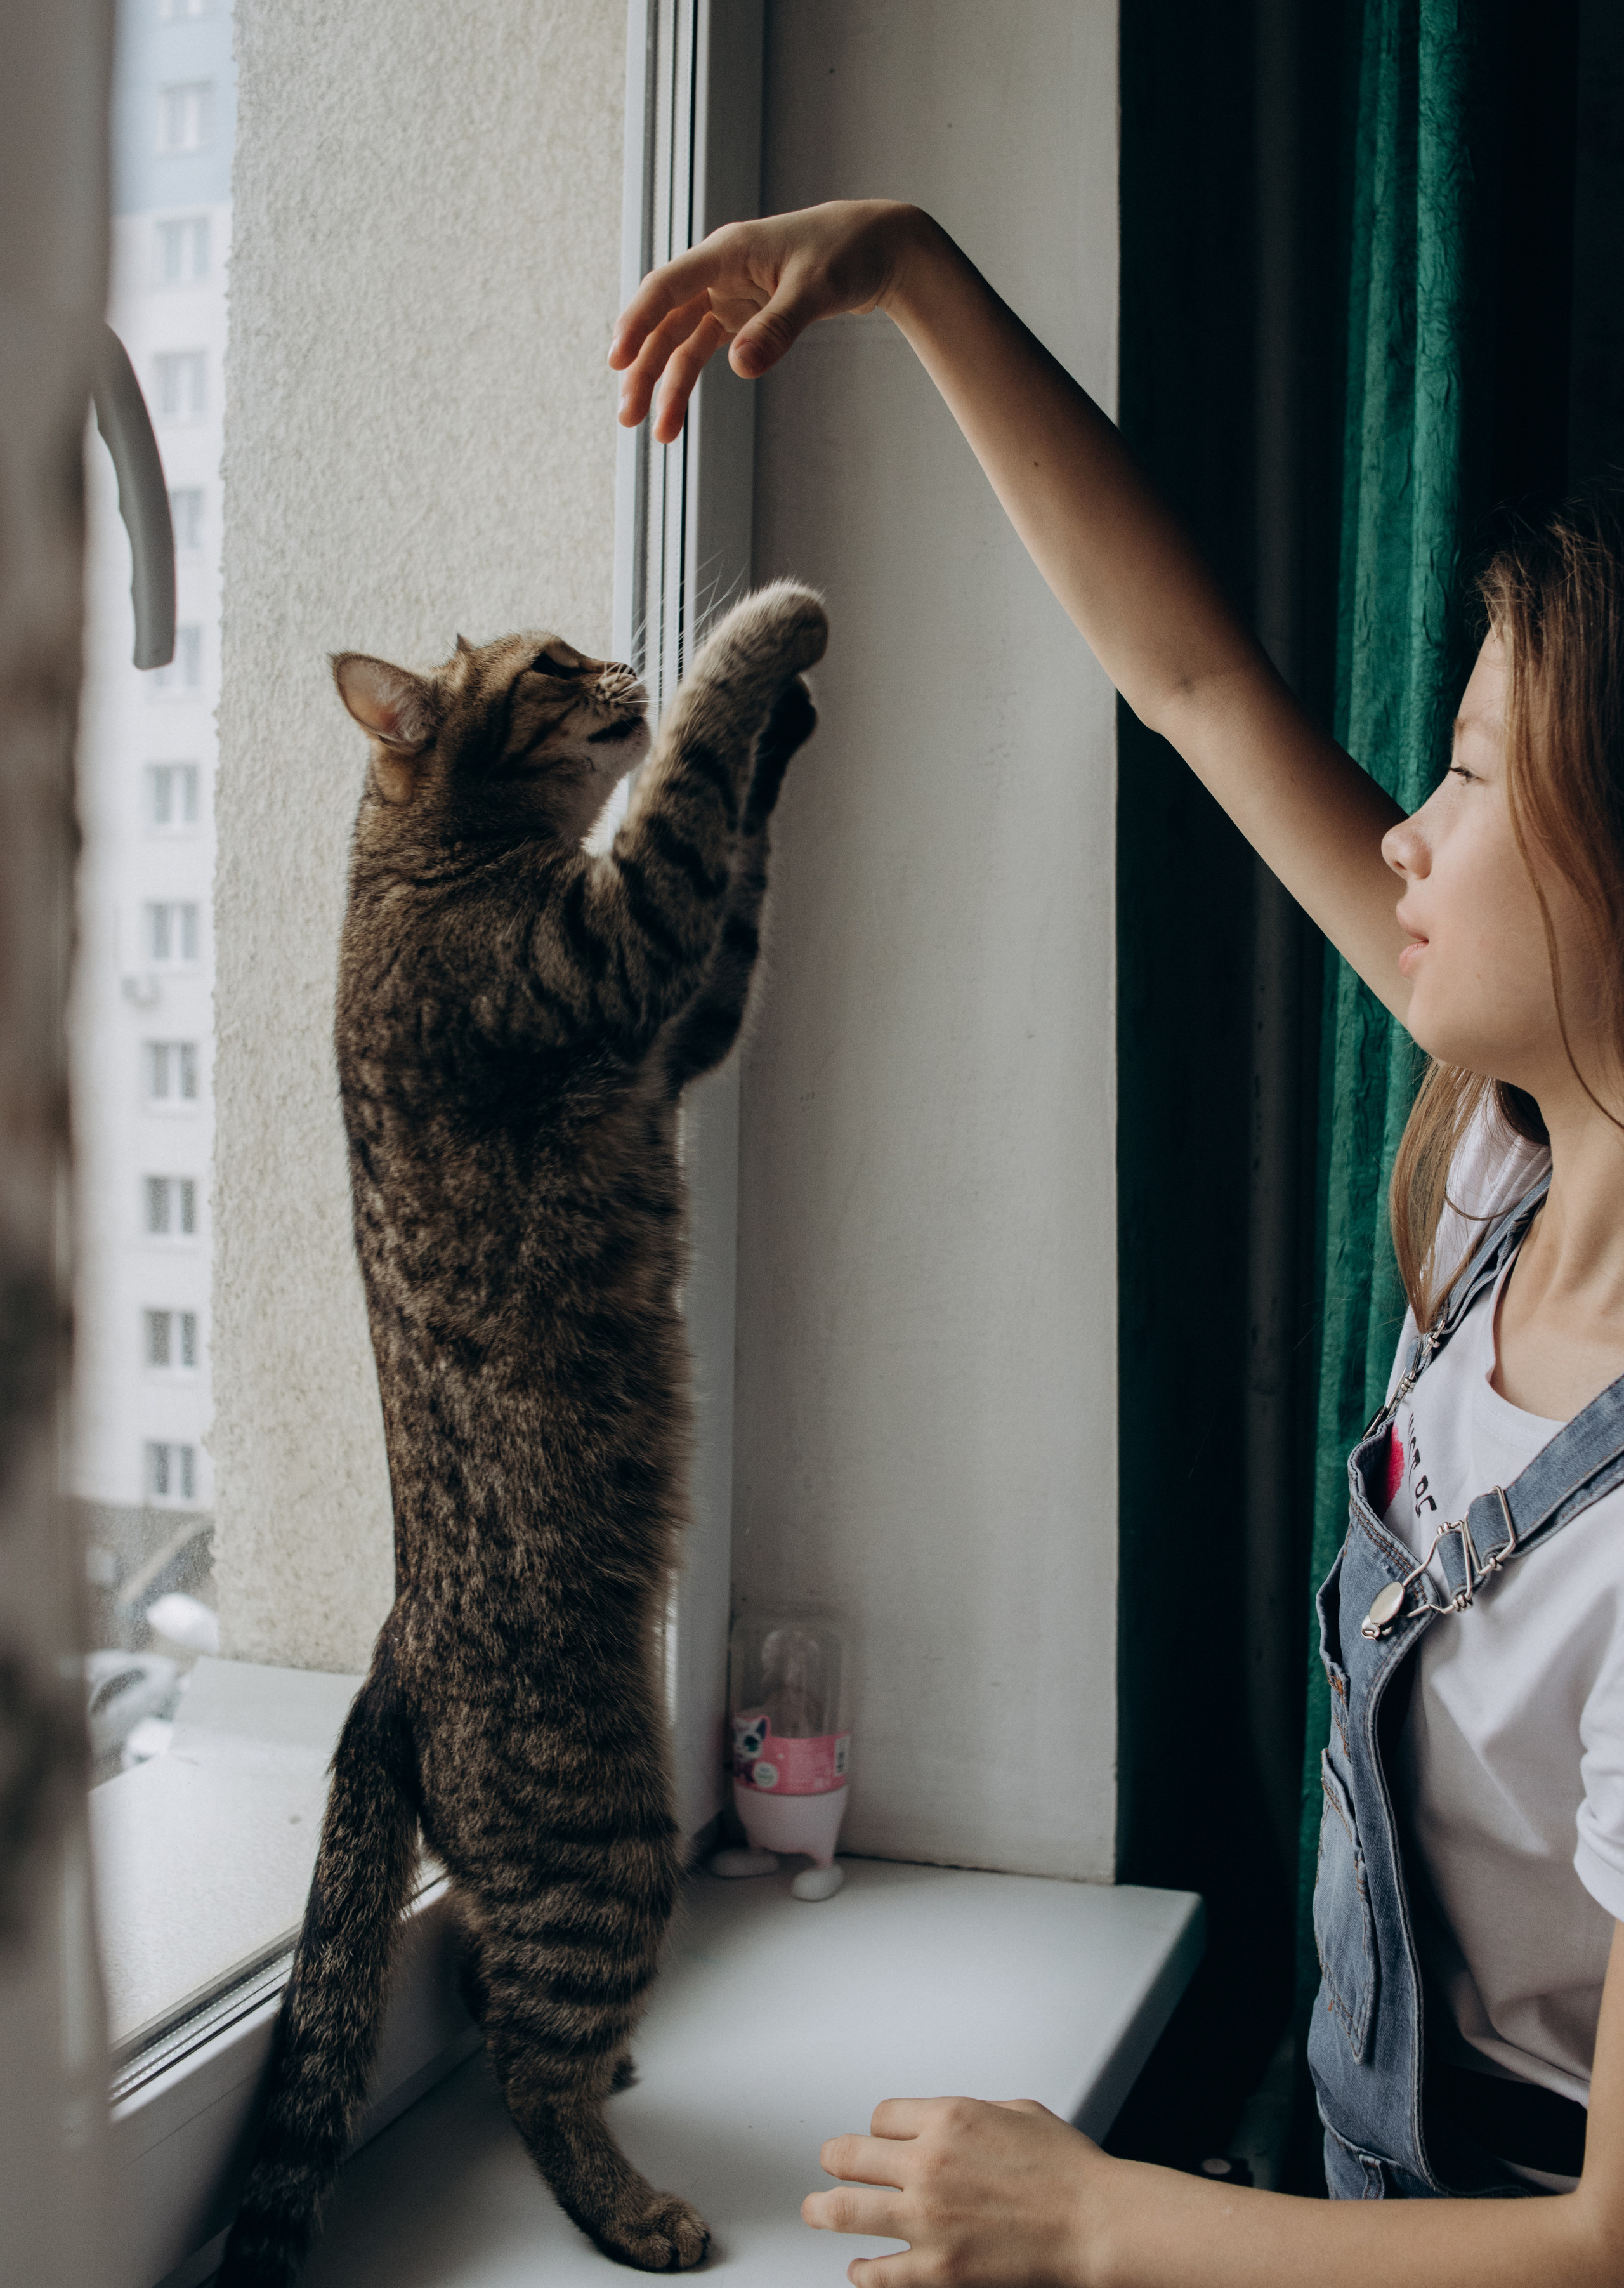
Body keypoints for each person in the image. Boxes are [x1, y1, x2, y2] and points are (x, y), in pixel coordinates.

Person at [610, 202, 1624, 2286]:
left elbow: (1607, 2246)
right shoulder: (1506, 1171)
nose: (1403, 831)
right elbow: (1193, 680)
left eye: (1462, 770)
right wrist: (911, 274)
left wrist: (1092, 2221)